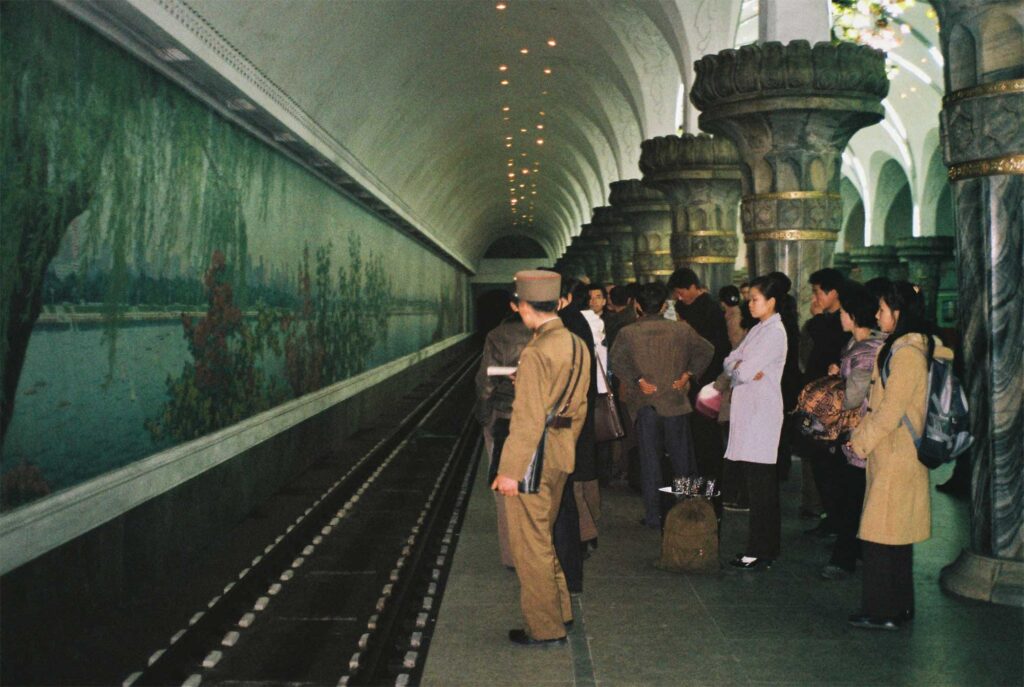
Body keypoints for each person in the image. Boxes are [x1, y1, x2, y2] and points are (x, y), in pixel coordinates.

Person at [493, 270, 590, 646]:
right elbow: (576, 406)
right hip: (562, 454)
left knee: (530, 547)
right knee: (543, 539)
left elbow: (528, 420)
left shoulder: (536, 351)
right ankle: (560, 611)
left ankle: (545, 628)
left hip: (534, 460)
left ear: (522, 307)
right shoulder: (574, 343)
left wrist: (509, 472)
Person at [847, 282, 943, 630]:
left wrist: (860, 441)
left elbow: (890, 410)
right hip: (897, 452)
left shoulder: (906, 353)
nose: (877, 315)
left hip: (895, 453)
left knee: (880, 537)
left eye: (883, 309)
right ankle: (900, 606)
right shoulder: (908, 347)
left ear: (899, 313)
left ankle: (881, 610)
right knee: (897, 537)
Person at [610, 282, 713, 529]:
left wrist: (637, 379)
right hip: (675, 402)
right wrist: (689, 373)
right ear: (665, 305)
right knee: (683, 461)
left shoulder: (628, 332)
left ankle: (654, 515)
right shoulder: (681, 330)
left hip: (646, 404)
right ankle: (689, 511)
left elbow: (615, 360)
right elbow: (707, 350)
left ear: (637, 305)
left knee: (650, 462)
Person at [723, 273, 792, 569]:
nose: (749, 304)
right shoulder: (759, 328)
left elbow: (742, 370)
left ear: (772, 301)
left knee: (762, 488)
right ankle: (762, 547)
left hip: (761, 416)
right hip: (750, 413)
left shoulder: (775, 332)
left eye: (755, 299)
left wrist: (740, 367)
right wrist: (739, 367)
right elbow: (730, 361)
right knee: (757, 485)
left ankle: (761, 550)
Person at [818, 281, 885, 580]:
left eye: (844, 311)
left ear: (854, 316)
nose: (840, 316)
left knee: (852, 497)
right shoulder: (855, 346)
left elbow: (853, 396)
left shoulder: (866, 350)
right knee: (853, 496)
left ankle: (845, 556)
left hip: (859, 434)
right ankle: (855, 549)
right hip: (851, 434)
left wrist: (834, 386)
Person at [475, 295, 532, 569]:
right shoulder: (550, 332)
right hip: (538, 416)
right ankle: (537, 548)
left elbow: (485, 382)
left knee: (504, 484)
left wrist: (485, 416)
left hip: (503, 415)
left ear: (511, 305)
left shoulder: (497, 335)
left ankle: (512, 555)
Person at [668, 268, 730, 493]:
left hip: (708, 382)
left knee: (707, 436)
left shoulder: (709, 308)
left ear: (693, 287)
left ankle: (713, 484)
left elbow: (714, 348)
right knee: (696, 435)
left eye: (681, 292)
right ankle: (700, 482)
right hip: (694, 382)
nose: (679, 297)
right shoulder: (684, 307)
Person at [554, 278, 598, 592]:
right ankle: (582, 543)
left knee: (565, 497)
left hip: (566, 427)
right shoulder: (576, 323)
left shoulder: (567, 330)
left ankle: (571, 565)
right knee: (571, 493)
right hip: (576, 423)